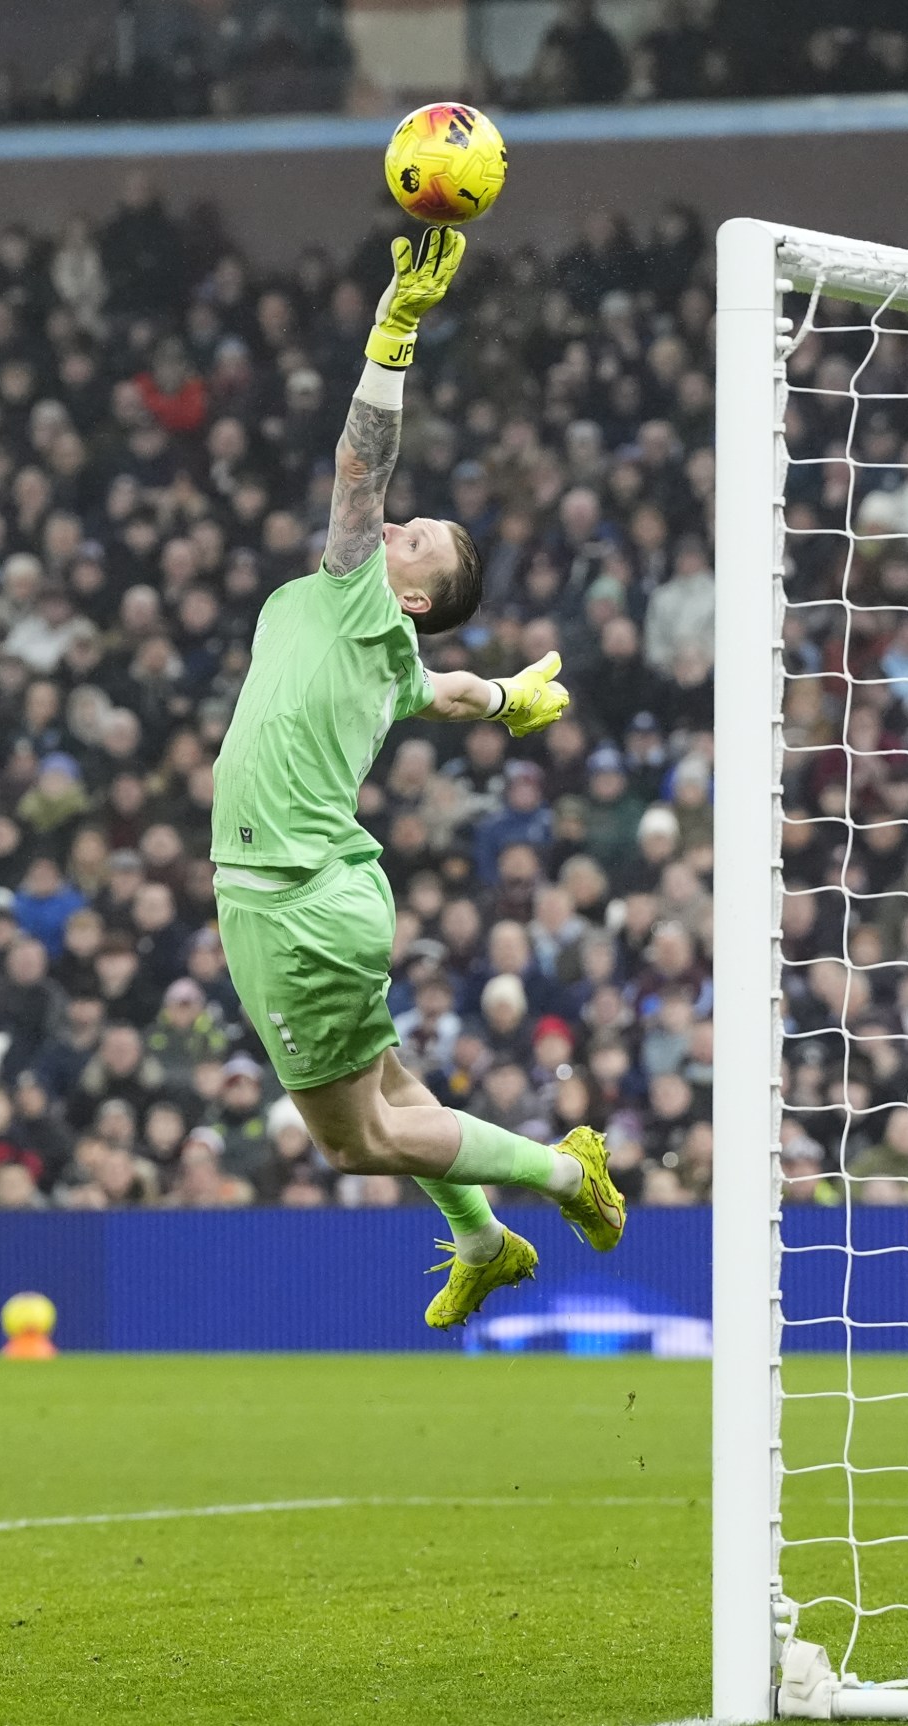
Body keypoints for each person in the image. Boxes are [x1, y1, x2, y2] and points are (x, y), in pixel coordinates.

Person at [207, 226, 621, 1331]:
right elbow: (437, 694)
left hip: (295, 897)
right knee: (391, 1095)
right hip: (294, 887)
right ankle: (486, 1242)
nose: (392, 526)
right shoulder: (384, 650)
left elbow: (359, 460)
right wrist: (506, 699)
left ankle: (564, 1176)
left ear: (417, 599)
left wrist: (395, 329)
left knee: (356, 1140)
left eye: (415, 543)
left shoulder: (358, 599)